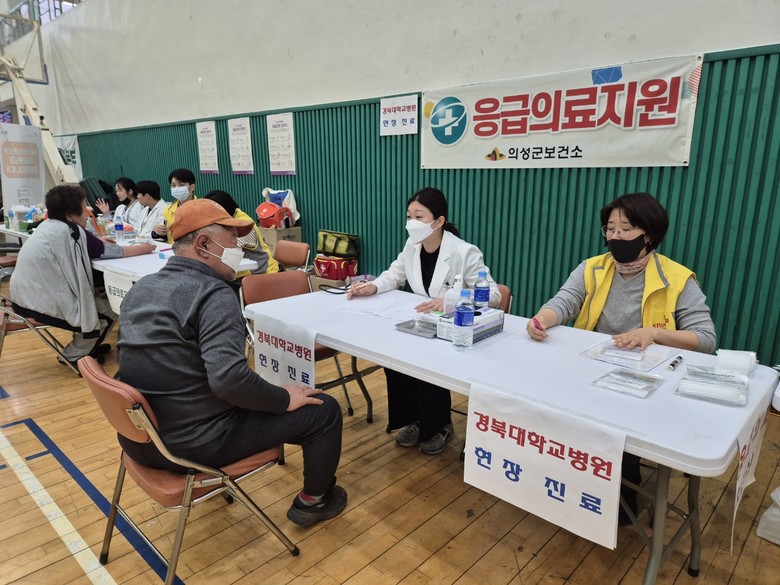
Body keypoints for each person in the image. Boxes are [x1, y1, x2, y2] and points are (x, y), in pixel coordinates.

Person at [116, 198, 347, 527]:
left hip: (140, 439)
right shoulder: (213, 293)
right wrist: (283, 398)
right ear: (203, 245)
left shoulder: (143, 287)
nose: (240, 249)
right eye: (232, 241)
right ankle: (315, 501)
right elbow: (229, 381)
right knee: (323, 410)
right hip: (193, 444)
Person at [526, 191, 716, 524]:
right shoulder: (592, 268)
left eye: (626, 229)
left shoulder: (677, 278)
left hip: (645, 381)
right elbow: (564, 302)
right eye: (610, 229)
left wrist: (654, 333)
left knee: (618, 431)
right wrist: (542, 318)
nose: (615, 236)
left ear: (649, 235)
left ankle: (621, 496)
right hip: (590, 369)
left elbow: (705, 339)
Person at [348, 187, 501, 455]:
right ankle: (414, 420)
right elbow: (394, 275)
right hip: (419, 324)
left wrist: (451, 299)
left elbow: (495, 295)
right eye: (409, 216)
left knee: (429, 364)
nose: (412, 222)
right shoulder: (412, 246)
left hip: (453, 329)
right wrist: (372, 286)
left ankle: (440, 425)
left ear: (439, 221)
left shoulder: (464, 251)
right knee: (395, 360)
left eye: (419, 216)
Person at [10, 185, 155, 364]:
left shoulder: (49, 225)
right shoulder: (72, 231)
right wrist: (146, 248)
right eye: (84, 209)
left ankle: (89, 347)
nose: (87, 213)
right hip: (39, 303)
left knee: (98, 299)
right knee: (109, 310)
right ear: (70, 215)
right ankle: (73, 356)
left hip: (23, 297)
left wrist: (95, 241)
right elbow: (118, 251)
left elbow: (83, 245)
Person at [204, 189, 279, 276]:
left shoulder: (242, 225)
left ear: (222, 211)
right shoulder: (232, 215)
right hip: (245, 273)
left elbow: (225, 253)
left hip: (263, 274)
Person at [153, 167, 197, 242]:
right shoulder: (168, 210)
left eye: (181, 185)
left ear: (192, 187)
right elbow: (166, 236)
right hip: (173, 248)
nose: (177, 188)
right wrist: (157, 232)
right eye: (173, 185)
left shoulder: (202, 208)